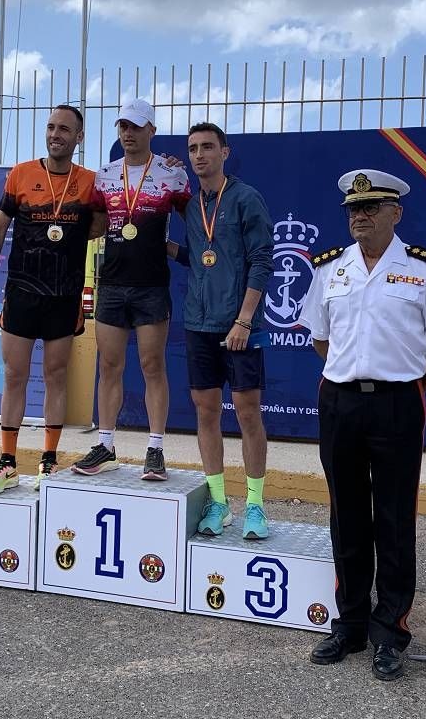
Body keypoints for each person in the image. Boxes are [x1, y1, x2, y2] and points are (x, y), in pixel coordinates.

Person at [297, 169, 426, 681]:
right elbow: (320, 339)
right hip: (341, 404)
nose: (360, 216)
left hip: (397, 405)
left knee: (394, 521)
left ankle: (390, 630)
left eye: (371, 207)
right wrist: (353, 377)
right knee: (345, 516)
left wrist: (408, 387)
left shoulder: (423, 270)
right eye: (353, 208)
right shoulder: (330, 268)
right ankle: (349, 624)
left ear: (396, 213)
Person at [0, 105, 105, 494]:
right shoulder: (21, 175)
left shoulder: (90, 182)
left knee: (55, 376)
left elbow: (98, 226)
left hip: (64, 295)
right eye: (50, 127)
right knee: (14, 376)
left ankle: (48, 462)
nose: (55, 134)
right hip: (21, 291)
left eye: (64, 129)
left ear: (78, 138)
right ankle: (8, 462)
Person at [72, 99, 191, 481]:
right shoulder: (105, 176)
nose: (127, 133)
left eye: (136, 126)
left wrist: (185, 252)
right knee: (109, 366)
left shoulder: (171, 174)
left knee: (153, 366)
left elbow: (202, 219)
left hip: (152, 285)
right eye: (122, 126)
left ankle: (155, 449)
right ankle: (105, 445)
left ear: (151, 131)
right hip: (112, 284)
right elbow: (94, 224)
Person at [166, 122, 274, 539]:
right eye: (192, 148)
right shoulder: (193, 205)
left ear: (225, 152)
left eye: (207, 147)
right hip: (199, 324)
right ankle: (218, 503)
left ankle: (255, 506)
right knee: (206, 412)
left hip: (239, 326)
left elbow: (262, 260)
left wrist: (244, 320)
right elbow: (199, 256)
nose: (199, 155)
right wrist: (160, 247)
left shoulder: (247, 198)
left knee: (248, 414)